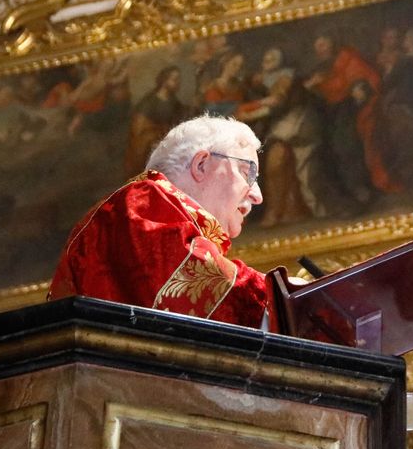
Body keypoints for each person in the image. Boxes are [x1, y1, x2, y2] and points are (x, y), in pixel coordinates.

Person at [49, 115, 272, 327]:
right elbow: (192, 275)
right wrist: (282, 297)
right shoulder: (139, 201)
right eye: (247, 173)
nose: (257, 195)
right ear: (201, 164)